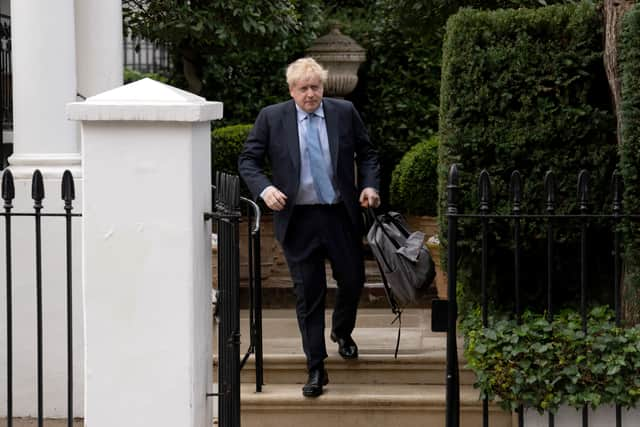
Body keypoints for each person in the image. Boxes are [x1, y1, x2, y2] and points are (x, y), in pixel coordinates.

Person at [238, 57, 381, 397]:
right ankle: (315, 367)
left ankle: (342, 332)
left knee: (353, 280)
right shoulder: (272, 118)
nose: (310, 94)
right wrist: (265, 189)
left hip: (339, 215)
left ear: (323, 87)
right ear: (291, 91)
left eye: (315, 87)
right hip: (298, 218)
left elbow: (368, 152)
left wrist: (369, 185)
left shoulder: (344, 112)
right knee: (309, 295)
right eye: (303, 88)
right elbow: (248, 160)